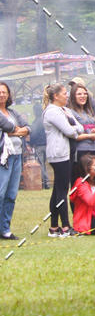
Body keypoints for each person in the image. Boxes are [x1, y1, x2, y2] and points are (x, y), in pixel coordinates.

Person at [43, 83, 83, 237]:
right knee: (62, 191)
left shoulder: (65, 110)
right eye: (65, 93)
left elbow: (79, 127)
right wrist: (74, 130)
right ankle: (65, 226)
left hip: (66, 154)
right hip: (58, 154)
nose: (67, 95)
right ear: (56, 96)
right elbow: (70, 131)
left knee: (57, 191)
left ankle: (54, 227)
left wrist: (75, 129)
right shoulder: (52, 112)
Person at [0, 82, 30, 240]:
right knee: (0, 192)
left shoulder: (12, 112)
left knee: (11, 194)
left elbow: (27, 127)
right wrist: (17, 131)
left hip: (17, 155)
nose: (2, 94)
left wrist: (18, 131)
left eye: (4, 92)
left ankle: (5, 228)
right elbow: (10, 128)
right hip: (3, 158)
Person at [67, 82, 95, 177]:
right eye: (79, 94)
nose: (83, 96)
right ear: (73, 96)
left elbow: (89, 128)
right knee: (81, 182)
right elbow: (73, 135)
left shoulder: (88, 111)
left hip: (92, 149)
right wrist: (90, 136)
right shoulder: (70, 113)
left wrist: (93, 131)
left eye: (85, 93)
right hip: (80, 152)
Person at [29, 102, 50, 189]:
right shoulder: (45, 120)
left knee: (41, 165)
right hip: (48, 145)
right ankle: (47, 182)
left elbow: (33, 135)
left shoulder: (35, 122)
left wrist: (31, 144)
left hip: (39, 146)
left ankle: (46, 182)